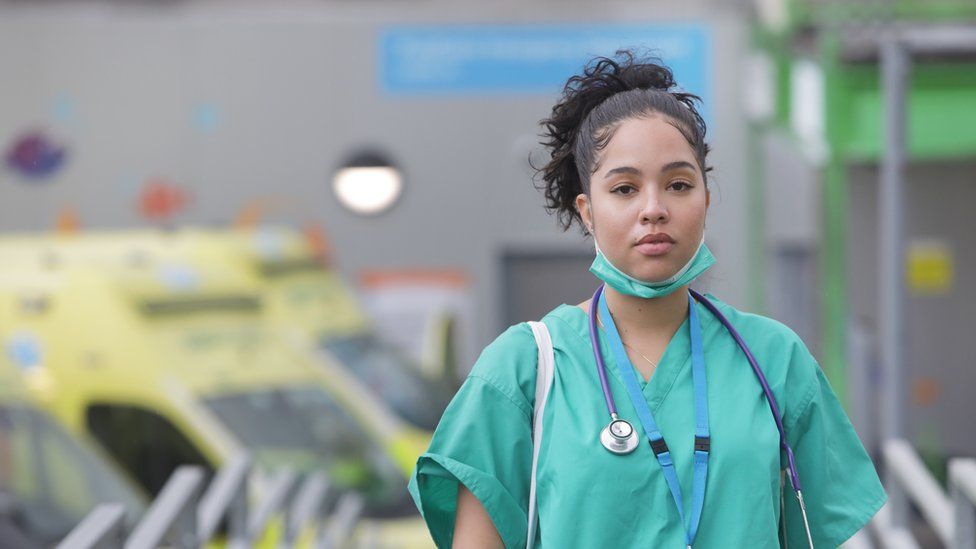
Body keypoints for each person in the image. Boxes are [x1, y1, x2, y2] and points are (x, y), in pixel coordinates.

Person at [407, 50, 885, 548]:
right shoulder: (524, 370)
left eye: (678, 184)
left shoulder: (773, 360)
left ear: (706, 199)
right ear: (587, 210)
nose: (653, 209)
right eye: (625, 189)